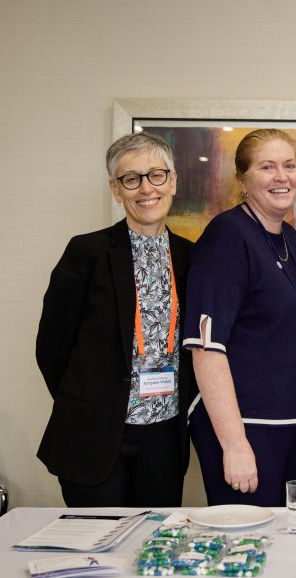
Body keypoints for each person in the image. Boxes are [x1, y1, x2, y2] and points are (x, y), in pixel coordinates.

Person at [36, 132, 193, 507]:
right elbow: (52, 347)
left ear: (173, 181)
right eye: (131, 178)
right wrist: (88, 402)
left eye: (156, 175)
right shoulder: (86, 252)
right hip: (96, 433)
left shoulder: (191, 256)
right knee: (98, 539)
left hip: (164, 435)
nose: (146, 188)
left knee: (153, 536)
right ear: (116, 189)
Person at [183, 129, 296, 506]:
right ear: (242, 180)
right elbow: (206, 348)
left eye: (289, 165)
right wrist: (234, 444)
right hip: (245, 426)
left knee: (286, 534)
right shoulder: (227, 235)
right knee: (249, 537)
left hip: (287, 423)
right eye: (267, 167)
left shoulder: (288, 237)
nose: (282, 176)